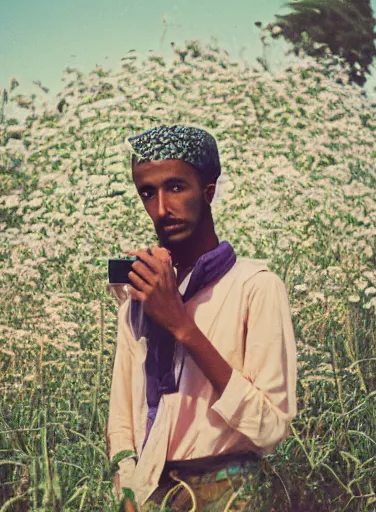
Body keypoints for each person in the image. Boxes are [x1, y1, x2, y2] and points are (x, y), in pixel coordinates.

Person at [107, 125, 297, 511]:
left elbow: (271, 428)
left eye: (176, 187)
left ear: (208, 190)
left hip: (228, 492)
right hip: (147, 492)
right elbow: (122, 417)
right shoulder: (141, 294)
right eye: (147, 192)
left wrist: (182, 327)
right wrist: (126, 486)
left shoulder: (256, 287)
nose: (161, 208)